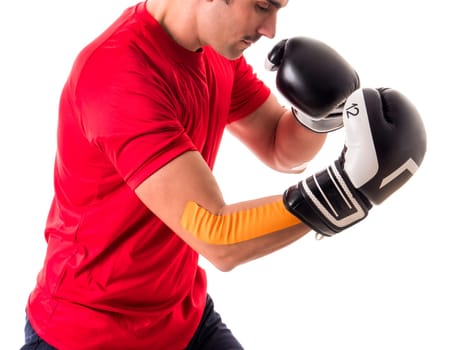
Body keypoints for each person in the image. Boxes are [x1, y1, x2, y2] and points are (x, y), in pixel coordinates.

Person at [21, 0, 426, 349]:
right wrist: (347, 192)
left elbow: (278, 145)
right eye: (262, 6)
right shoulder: (118, 76)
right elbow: (216, 234)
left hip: (180, 318)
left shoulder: (215, 54)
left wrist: (317, 116)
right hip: (87, 334)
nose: (270, 31)